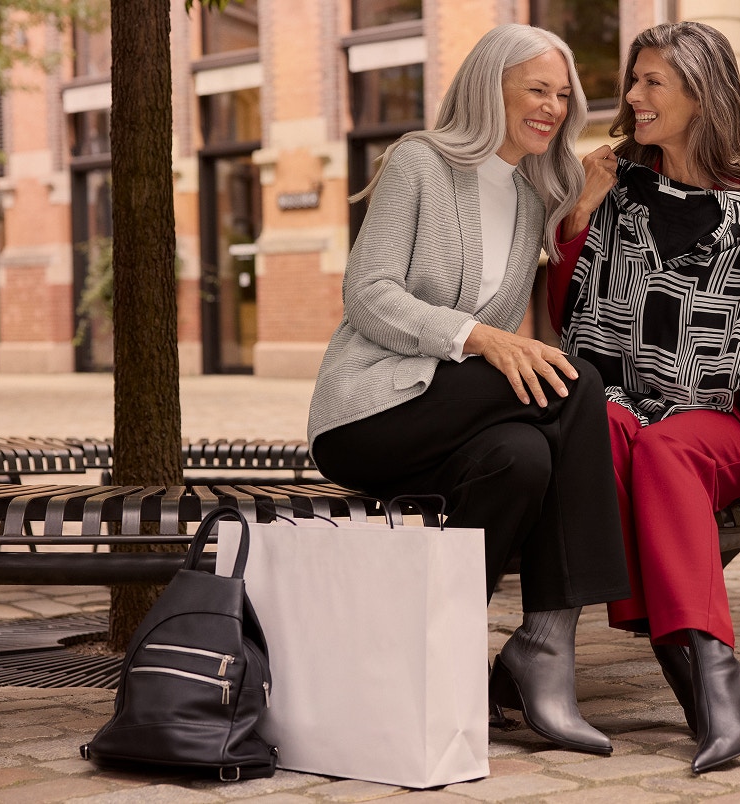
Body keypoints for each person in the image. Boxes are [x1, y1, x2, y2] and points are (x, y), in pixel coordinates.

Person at [307, 24, 631, 756]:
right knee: (579, 386)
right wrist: (476, 338)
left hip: (450, 422)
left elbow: (543, 317)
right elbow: (368, 293)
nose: (552, 106)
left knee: (523, 460)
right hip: (371, 410)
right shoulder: (421, 162)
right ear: (493, 88)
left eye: (562, 94)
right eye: (536, 90)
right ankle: (547, 645)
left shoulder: (527, 194)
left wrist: (577, 209)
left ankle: (443, 660)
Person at [547, 21, 740, 773]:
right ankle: (715, 690)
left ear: (701, 94)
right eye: (635, 80)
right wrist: (579, 219)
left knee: (665, 445)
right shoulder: (613, 190)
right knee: (607, 426)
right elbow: (572, 321)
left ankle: (704, 679)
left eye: (652, 82)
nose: (633, 97)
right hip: (628, 399)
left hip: (723, 421)